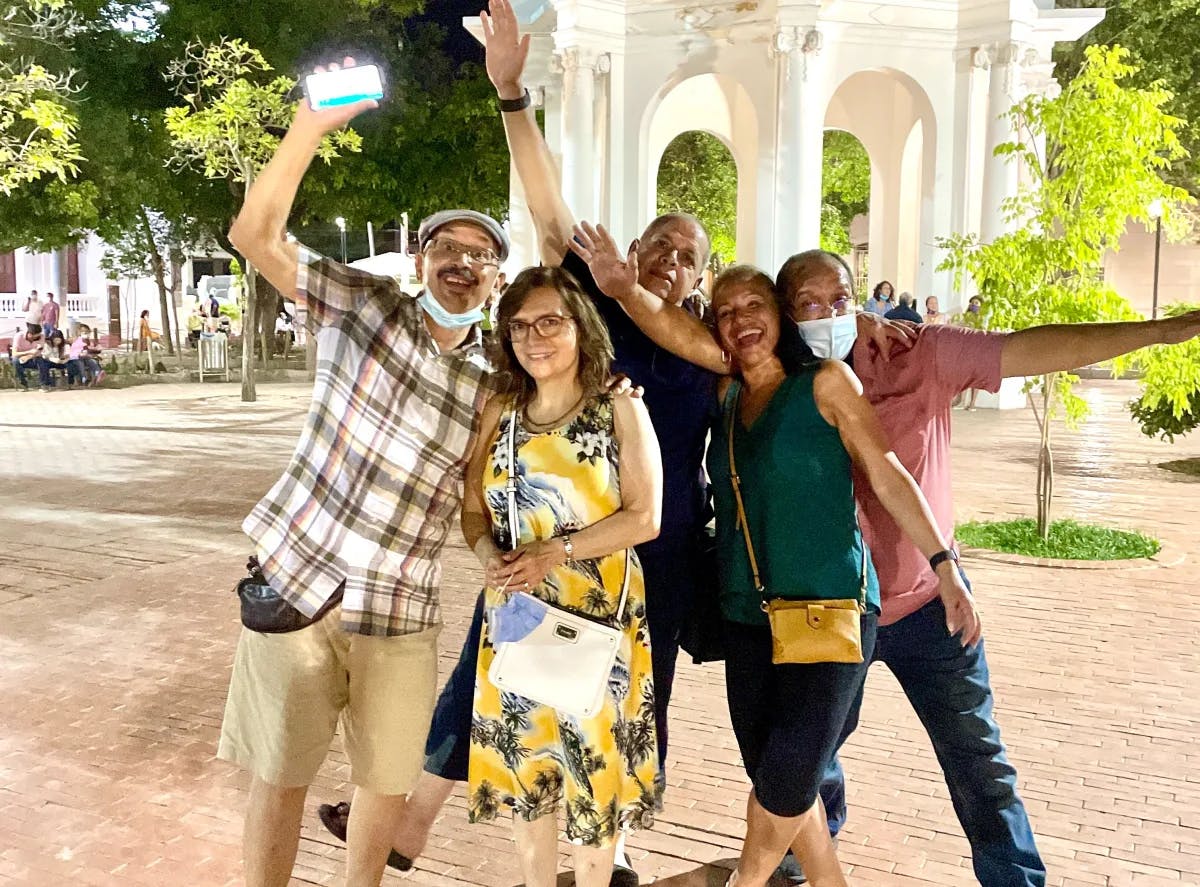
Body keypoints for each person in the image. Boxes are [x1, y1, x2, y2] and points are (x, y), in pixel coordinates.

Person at [315, 7, 911, 878]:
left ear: (703, 278)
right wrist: (512, 94)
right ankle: (421, 821)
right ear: (633, 249)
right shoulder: (595, 305)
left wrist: (874, 327)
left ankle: (614, 849)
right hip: (551, 531)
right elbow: (551, 211)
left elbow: (800, 344)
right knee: (500, 661)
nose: (672, 261)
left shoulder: (710, 347)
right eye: (660, 246)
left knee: (638, 693)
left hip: (657, 544)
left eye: (690, 256)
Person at [571, 237, 1200, 887]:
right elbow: (677, 329)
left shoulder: (914, 353)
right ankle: (802, 868)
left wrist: (1159, 331)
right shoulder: (751, 378)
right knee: (797, 769)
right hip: (799, 613)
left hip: (918, 600)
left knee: (975, 761)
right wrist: (624, 288)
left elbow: (1026, 352)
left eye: (837, 299)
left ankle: (1010, 878)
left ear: (857, 297)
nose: (824, 313)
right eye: (806, 302)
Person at [216, 55, 512, 887]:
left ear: (495, 281)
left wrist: (495, 558)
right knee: (279, 776)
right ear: (419, 260)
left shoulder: (494, 377)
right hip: (300, 577)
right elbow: (255, 238)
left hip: (403, 602)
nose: (462, 262)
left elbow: (471, 496)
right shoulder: (361, 303)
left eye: (482, 256)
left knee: (384, 783)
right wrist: (309, 125)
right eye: (447, 248)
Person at [462, 266, 663, 887]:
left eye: (550, 321)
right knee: (530, 785)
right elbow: (473, 505)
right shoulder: (500, 408)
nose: (534, 337)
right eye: (519, 325)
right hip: (519, 625)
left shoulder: (617, 407)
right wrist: (485, 555)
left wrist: (557, 551)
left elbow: (646, 517)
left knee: (594, 790)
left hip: (596, 628)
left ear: (581, 327)